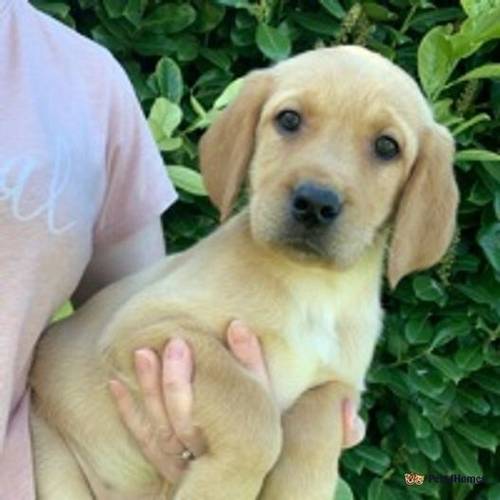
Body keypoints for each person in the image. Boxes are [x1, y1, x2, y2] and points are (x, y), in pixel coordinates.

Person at [0, 0, 365, 498]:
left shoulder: (84, 82)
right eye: (290, 123)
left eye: (385, 149)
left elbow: (140, 336)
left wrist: (204, 433)